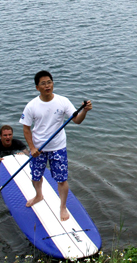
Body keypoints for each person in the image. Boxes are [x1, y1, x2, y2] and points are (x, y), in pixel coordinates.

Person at [19, 70, 92, 221]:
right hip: (39, 148)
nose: (47, 86)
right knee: (36, 176)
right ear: (37, 87)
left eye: (49, 82)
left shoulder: (62, 101)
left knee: (62, 180)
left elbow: (77, 120)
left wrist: (84, 111)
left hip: (58, 147)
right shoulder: (31, 106)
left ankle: (63, 207)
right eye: (43, 83)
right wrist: (32, 148)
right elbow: (26, 129)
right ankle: (39, 195)